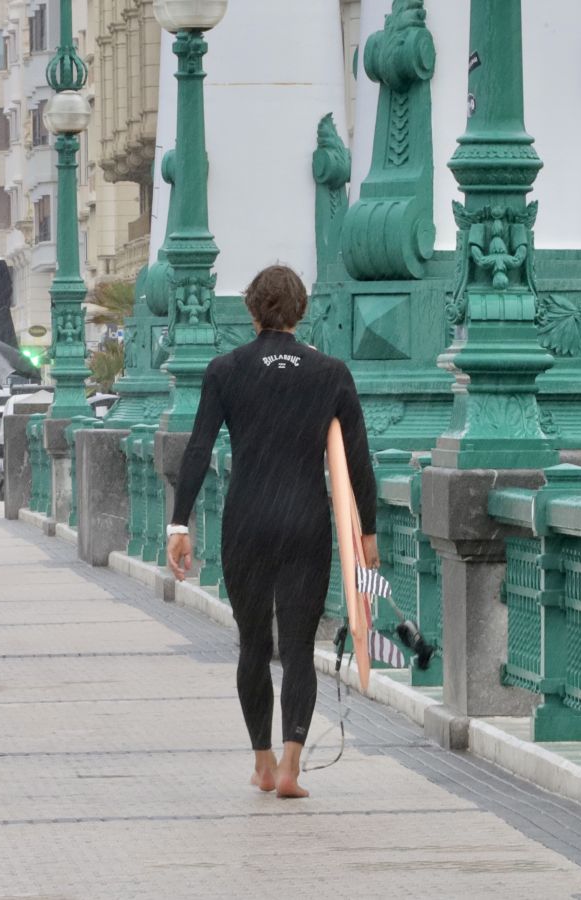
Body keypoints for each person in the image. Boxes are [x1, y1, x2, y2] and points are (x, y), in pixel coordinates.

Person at [166, 264, 378, 800]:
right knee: (301, 647)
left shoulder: (226, 369)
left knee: (254, 646)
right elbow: (356, 462)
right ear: (300, 310)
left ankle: (260, 761)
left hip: (248, 522)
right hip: (305, 520)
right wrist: (367, 533)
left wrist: (179, 523)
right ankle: (290, 764)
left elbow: (197, 448)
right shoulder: (329, 373)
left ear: (252, 310)